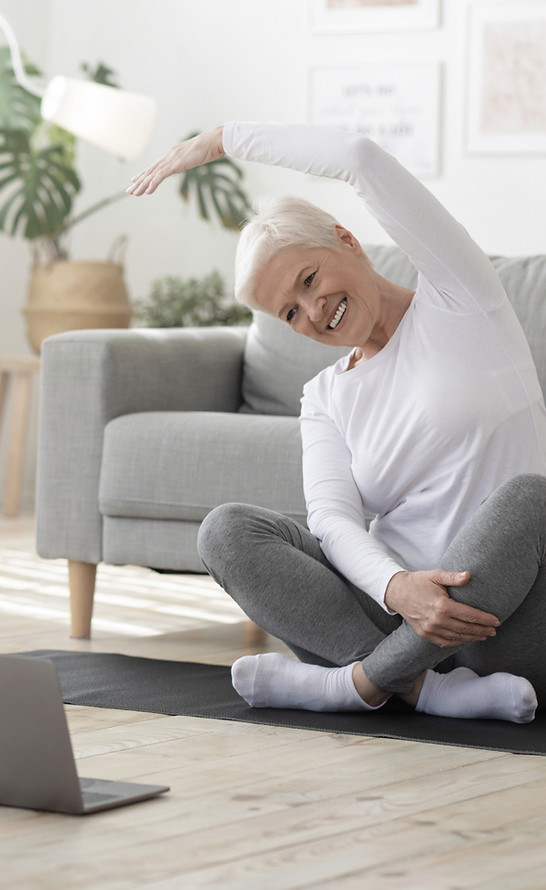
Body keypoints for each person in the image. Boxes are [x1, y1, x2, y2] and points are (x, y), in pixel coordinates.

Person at [128, 122, 546, 724]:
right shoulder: (324, 396)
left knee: (532, 499)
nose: (313, 311)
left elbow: (359, 158)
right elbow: (332, 520)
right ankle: (419, 687)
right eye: (290, 311)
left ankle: (352, 686)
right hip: (390, 611)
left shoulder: (460, 297)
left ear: (346, 240)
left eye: (309, 279)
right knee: (226, 531)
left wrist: (220, 140)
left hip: (502, 621)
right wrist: (397, 588)